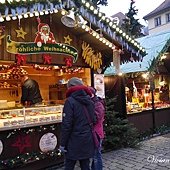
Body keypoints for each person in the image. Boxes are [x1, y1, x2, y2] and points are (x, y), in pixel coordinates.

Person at [59, 77, 96, 170]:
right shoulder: (89, 100)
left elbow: (67, 125)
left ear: (70, 88)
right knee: (85, 165)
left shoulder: (70, 101)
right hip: (87, 138)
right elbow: (94, 119)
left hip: (74, 140)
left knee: (69, 166)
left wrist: (62, 144)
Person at [88, 86, 105, 170]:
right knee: (95, 154)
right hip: (94, 132)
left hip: (97, 133)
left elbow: (96, 119)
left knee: (96, 155)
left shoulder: (97, 104)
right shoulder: (93, 103)